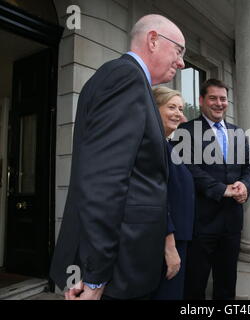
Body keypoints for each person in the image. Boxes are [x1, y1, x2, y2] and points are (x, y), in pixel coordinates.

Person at [49, 14, 185, 300]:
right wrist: (96, 276)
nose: (181, 62)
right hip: (117, 273)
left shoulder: (126, 80)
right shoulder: (125, 78)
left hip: (125, 267)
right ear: (153, 40)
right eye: (179, 51)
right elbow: (103, 181)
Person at [174, 79, 250, 300]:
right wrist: (222, 189)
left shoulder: (237, 132)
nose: (219, 103)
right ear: (201, 101)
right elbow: (187, 169)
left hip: (231, 224)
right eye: (213, 98)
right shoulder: (186, 131)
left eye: (223, 99)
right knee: (194, 285)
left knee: (227, 285)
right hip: (200, 224)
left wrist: (244, 185)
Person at [151, 87, 195, 300]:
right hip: (164, 244)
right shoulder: (153, 146)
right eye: (171, 107)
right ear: (154, 108)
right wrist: (169, 247)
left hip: (179, 240)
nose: (179, 113)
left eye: (180, 108)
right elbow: (157, 198)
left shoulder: (167, 145)